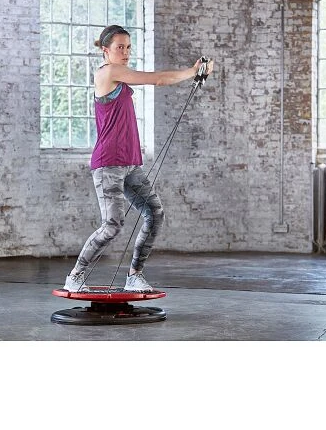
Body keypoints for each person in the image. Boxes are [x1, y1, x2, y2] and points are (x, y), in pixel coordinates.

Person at [63, 25, 214, 292]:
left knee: (155, 214)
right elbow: (158, 79)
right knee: (112, 225)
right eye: (120, 47)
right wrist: (192, 71)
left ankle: (134, 275)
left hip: (130, 164)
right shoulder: (108, 72)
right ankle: (75, 276)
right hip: (108, 163)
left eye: (128, 47)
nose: (125, 52)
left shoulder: (119, 80)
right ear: (105, 50)